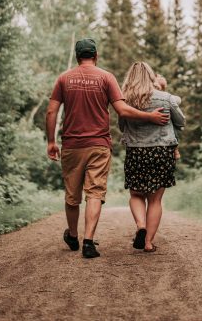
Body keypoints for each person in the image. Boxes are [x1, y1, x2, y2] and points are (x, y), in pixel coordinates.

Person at [46, 39, 170, 259]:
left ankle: (73, 235)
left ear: (77, 57)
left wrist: (51, 142)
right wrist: (150, 116)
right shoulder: (106, 77)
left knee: (72, 195)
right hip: (99, 145)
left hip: (72, 146)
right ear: (96, 55)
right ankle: (88, 243)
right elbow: (122, 110)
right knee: (94, 193)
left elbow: (51, 112)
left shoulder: (63, 78)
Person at [119, 62, 185, 252]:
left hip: (136, 151)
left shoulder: (125, 101)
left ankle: (141, 226)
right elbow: (181, 121)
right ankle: (148, 242)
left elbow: (122, 126)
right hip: (162, 151)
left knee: (136, 194)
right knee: (155, 200)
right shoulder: (165, 98)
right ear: (151, 77)